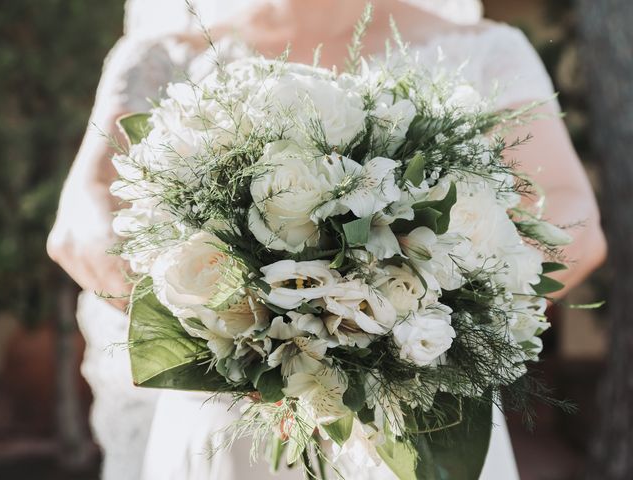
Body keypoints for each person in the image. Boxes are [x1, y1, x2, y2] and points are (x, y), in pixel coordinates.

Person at [47, 0, 607, 478]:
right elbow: (80, 227)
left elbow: (574, 224)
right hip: (232, 397)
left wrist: (417, 322)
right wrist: (225, 318)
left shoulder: (484, 49)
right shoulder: (162, 52)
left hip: (420, 400)